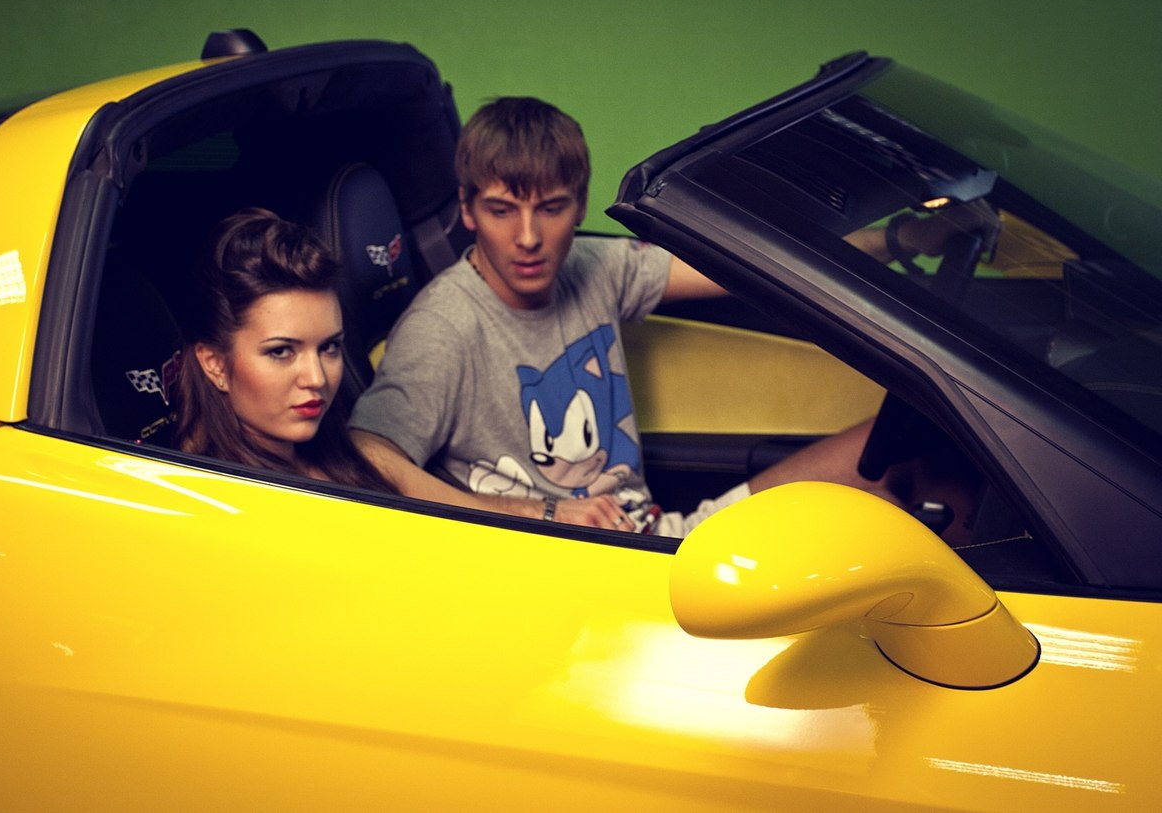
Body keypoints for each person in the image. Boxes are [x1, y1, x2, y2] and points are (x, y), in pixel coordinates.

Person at [349, 97, 984, 535]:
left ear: (580, 206)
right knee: (876, 512)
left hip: (661, 537)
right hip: (578, 565)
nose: (528, 238)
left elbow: (753, 268)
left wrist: (904, 238)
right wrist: (544, 514)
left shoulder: (591, 267)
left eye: (550, 208)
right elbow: (366, 457)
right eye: (500, 211)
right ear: (466, 210)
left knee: (921, 442)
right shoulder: (444, 325)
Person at [174, 207, 506, 510]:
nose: (317, 378)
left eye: (328, 348)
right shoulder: (219, 502)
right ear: (215, 364)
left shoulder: (344, 456)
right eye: (281, 351)